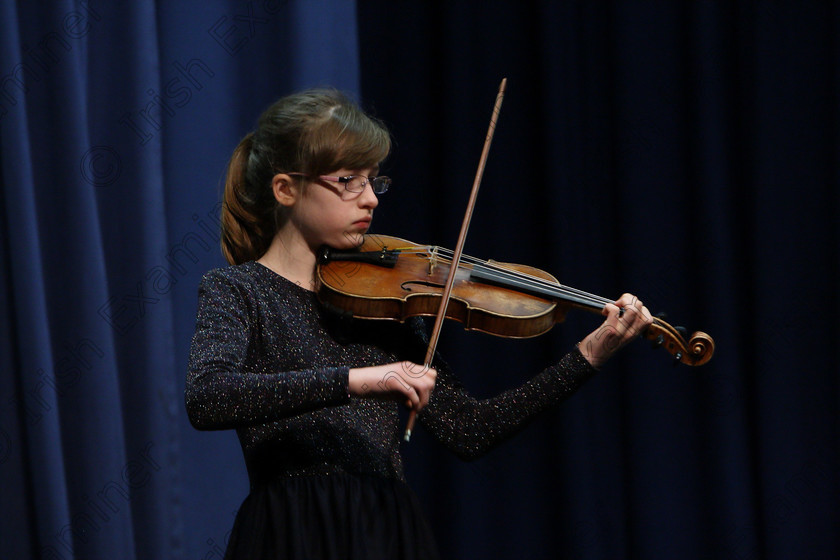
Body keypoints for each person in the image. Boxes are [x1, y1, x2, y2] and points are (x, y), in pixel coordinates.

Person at [185, 88, 653, 560]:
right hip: (292, 530)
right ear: (285, 188)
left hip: (387, 531)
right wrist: (357, 381)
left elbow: (469, 430)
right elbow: (209, 396)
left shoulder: (382, 299)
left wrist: (587, 357)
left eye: (373, 181)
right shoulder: (238, 289)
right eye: (348, 180)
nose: (370, 199)